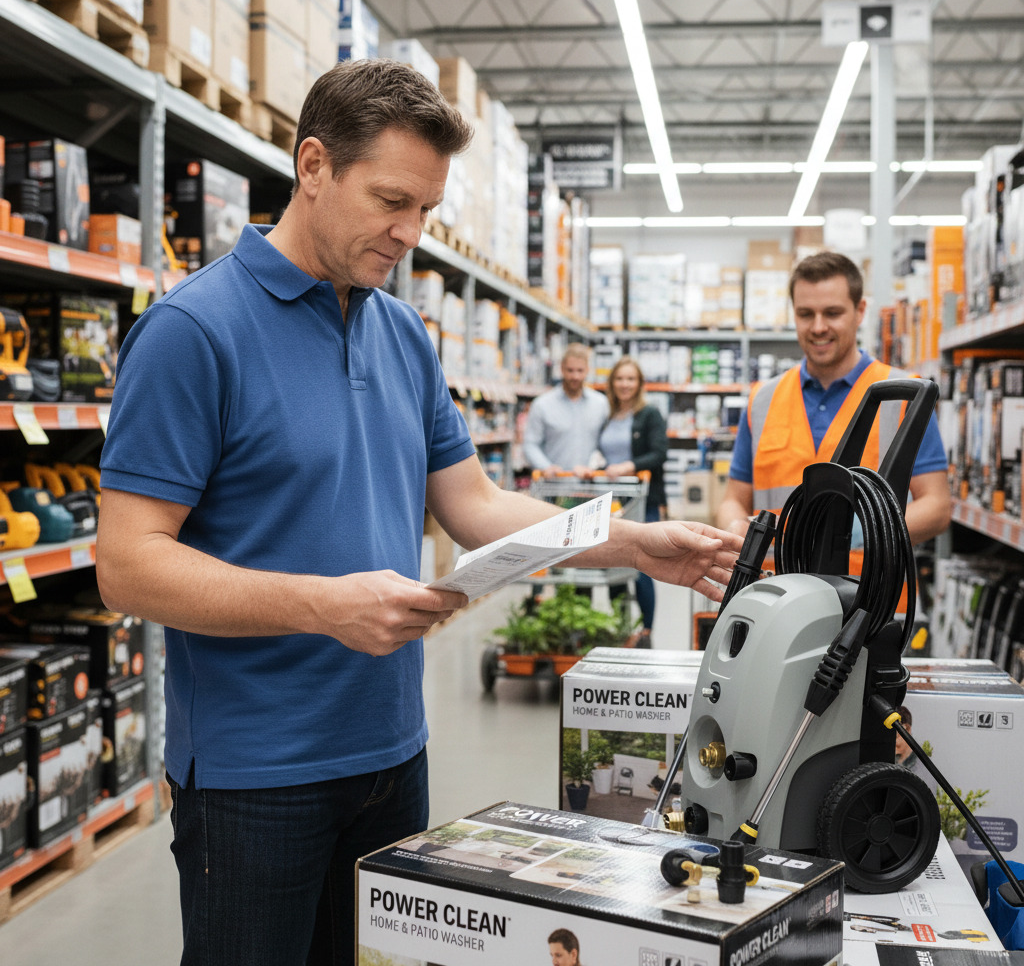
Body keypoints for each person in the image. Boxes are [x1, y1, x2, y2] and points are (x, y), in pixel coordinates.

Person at [95, 57, 742, 966]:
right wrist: (323, 606)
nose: (411, 232)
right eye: (392, 200)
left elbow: (472, 504)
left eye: (428, 210)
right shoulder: (194, 334)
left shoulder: (402, 332)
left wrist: (631, 543)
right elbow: (128, 562)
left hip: (391, 752)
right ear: (313, 166)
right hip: (256, 774)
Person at [716, 250, 951, 552]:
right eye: (805, 314)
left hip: (869, 593)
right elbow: (734, 499)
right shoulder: (762, 399)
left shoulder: (904, 395)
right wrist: (735, 528)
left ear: (860, 310)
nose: (817, 327)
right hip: (774, 591)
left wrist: (855, 534)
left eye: (832, 313)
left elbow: (936, 507)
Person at [590, 355, 668, 641]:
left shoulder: (649, 414)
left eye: (630, 379)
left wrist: (628, 466)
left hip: (641, 499)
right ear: (612, 383)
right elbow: (603, 454)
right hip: (612, 501)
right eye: (620, 379)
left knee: (644, 564)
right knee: (615, 562)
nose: (625, 384)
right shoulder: (607, 416)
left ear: (639, 384)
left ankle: (646, 630)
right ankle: (621, 627)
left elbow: (659, 453)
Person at [523, 343, 608, 479]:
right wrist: (546, 467)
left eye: (580, 371)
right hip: (554, 487)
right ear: (562, 369)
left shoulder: (601, 403)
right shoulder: (542, 404)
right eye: (570, 370)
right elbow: (530, 444)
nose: (575, 376)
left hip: (590, 486)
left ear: (588, 370)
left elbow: (606, 443)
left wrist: (596, 465)